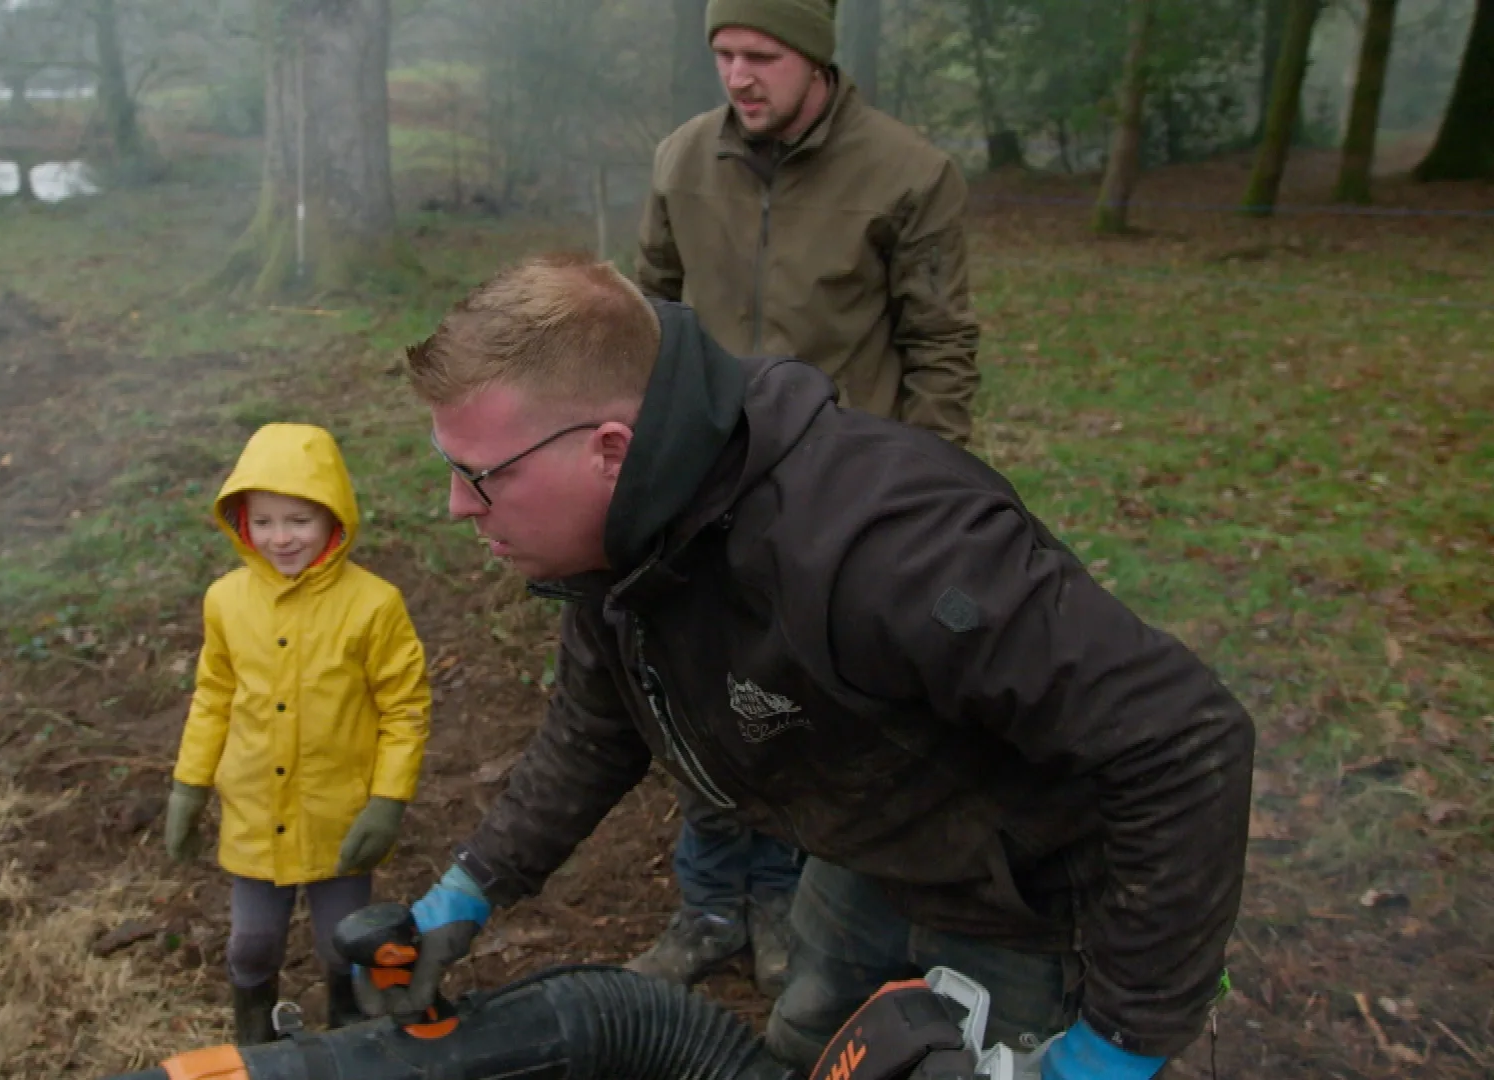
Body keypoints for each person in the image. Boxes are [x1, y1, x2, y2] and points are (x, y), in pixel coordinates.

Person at [356, 254, 1252, 1080]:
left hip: (1034, 906)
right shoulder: (623, 544)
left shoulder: (891, 545)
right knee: (805, 1046)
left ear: (610, 451)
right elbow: (598, 726)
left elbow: (1181, 742)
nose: (453, 507)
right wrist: (472, 887)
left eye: (480, 474)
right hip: (866, 855)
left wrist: (1118, 1045)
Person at [631, 0, 982, 994]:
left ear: (817, 59)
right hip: (699, 484)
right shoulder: (681, 160)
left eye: (762, 55)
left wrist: (923, 497)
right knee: (700, 694)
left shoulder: (910, 173)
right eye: (724, 54)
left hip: (839, 493)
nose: (739, 76)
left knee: (808, 707)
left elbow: (942, 348)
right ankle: (705, 904)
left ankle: (786, 900)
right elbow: (648, 308)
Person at [166, 422, 432, 1045]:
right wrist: (189, 785)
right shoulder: (226, 601)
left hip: (339, 816)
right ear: (240, 522)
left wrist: (388, 799)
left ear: (334, 519)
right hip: (256, 813)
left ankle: (348, 1036)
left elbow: (404, 706)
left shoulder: (374, 604)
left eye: (299, 520)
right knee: (253, 944)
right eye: (263, 522)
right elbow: (214, 697)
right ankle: (256, 1040)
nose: (280, 538)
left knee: (344, 945)